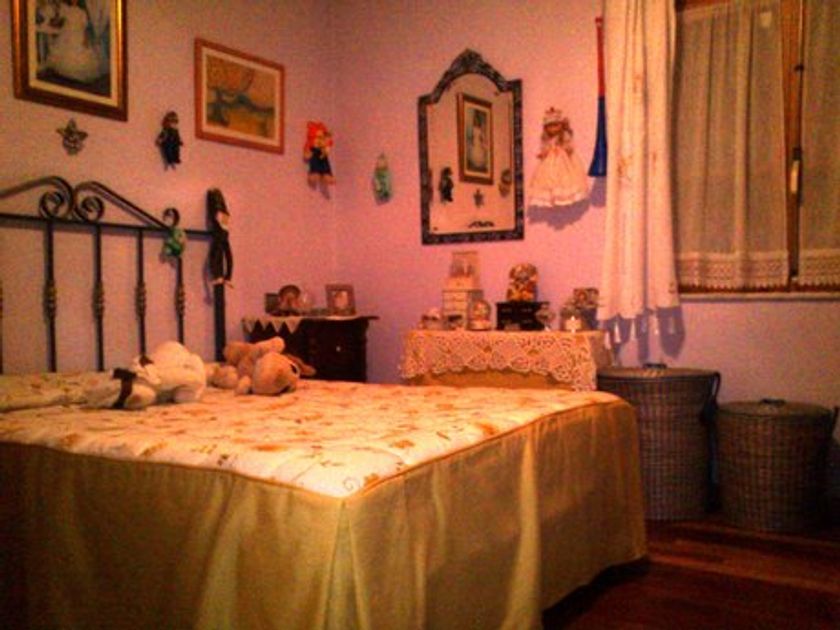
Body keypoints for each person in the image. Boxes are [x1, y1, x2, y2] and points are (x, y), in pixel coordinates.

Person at [528, 107, 589, 207]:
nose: (553, 128)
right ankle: (552, 195)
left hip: (563, 160)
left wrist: (565, 149)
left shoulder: (563, 136)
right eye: (550, 126)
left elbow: (568, 145)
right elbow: (546, 147)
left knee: (565, 177)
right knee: (548, 178)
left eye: (555, 125)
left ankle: (563, 196)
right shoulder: (547, 139)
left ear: (561, 125)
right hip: (550, 161)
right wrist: (543, 153)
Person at [46, 0, 102, 83]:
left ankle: (76, 74)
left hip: (78, 34)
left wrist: (85, 39)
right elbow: (58, 20)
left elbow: (84, 27)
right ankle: (65, 73)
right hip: (67, 33)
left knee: (79, 52)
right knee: (66, 52)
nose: (74, 0)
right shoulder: (66, 9)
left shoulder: (82, 12)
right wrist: (54, 19)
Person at [207, 188, 233, 287]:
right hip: (224, 233)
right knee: (227, 254)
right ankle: (227, 277)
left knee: (215, 255)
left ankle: (218, 276)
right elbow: (225, 225)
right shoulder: (225, 213)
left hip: (219, 234)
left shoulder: (217, 212)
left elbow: (216, 221)